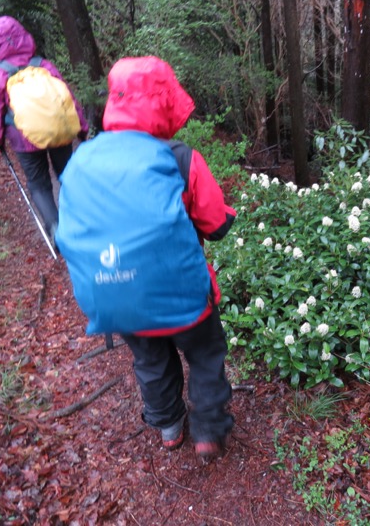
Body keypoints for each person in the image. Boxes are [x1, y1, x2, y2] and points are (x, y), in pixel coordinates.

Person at [57, 56, 236, 458]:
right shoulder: (179, 158)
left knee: (151, 360)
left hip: (117, 294)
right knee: (206, 353)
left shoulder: (83, 159)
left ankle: (169, 427)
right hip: (183, 295)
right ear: (166, 101)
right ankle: (208, 430)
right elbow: (216, 224)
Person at [0, 15, 89, 239]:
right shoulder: (44, 65)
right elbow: (67, 98)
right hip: (59, 130)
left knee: (39, 183)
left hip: (24, 138)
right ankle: (82, 223)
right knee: (67, 175)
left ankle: (57, 232)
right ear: (23, 36)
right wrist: (81, 128)